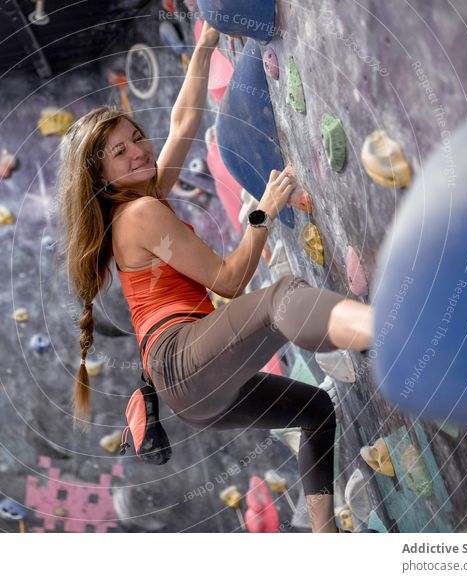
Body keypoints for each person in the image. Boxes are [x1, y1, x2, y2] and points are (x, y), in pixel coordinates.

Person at [58, 23, 374, 533]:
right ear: (100, 178)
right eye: (121, 152)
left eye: (136, 138)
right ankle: (394, 329)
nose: (139, 150)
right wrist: (264, 213)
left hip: (191, 392)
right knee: (279, 299)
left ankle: (324, 538)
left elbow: (183, 123)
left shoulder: (140, 200)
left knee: (315, 409)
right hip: (182, 360)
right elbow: (228, 280)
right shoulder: (138, 215)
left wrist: (203, 48)